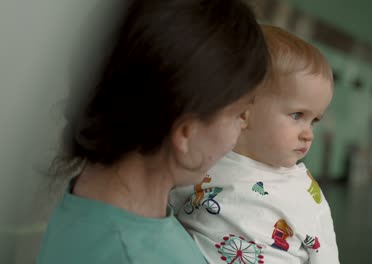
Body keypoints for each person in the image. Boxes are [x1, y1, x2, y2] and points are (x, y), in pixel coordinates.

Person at [36, 0, 269, 263]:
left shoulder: (90, 200)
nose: (245, 125)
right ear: (186, 132)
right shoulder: (133, 253)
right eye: (239, 114)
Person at [170, 25, 339, 263]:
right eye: (297, 115)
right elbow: (168, 210)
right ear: (244, 108)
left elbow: (325, 254)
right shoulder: (205, 161)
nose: (308, 134)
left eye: (314, 121)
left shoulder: (304, 191)